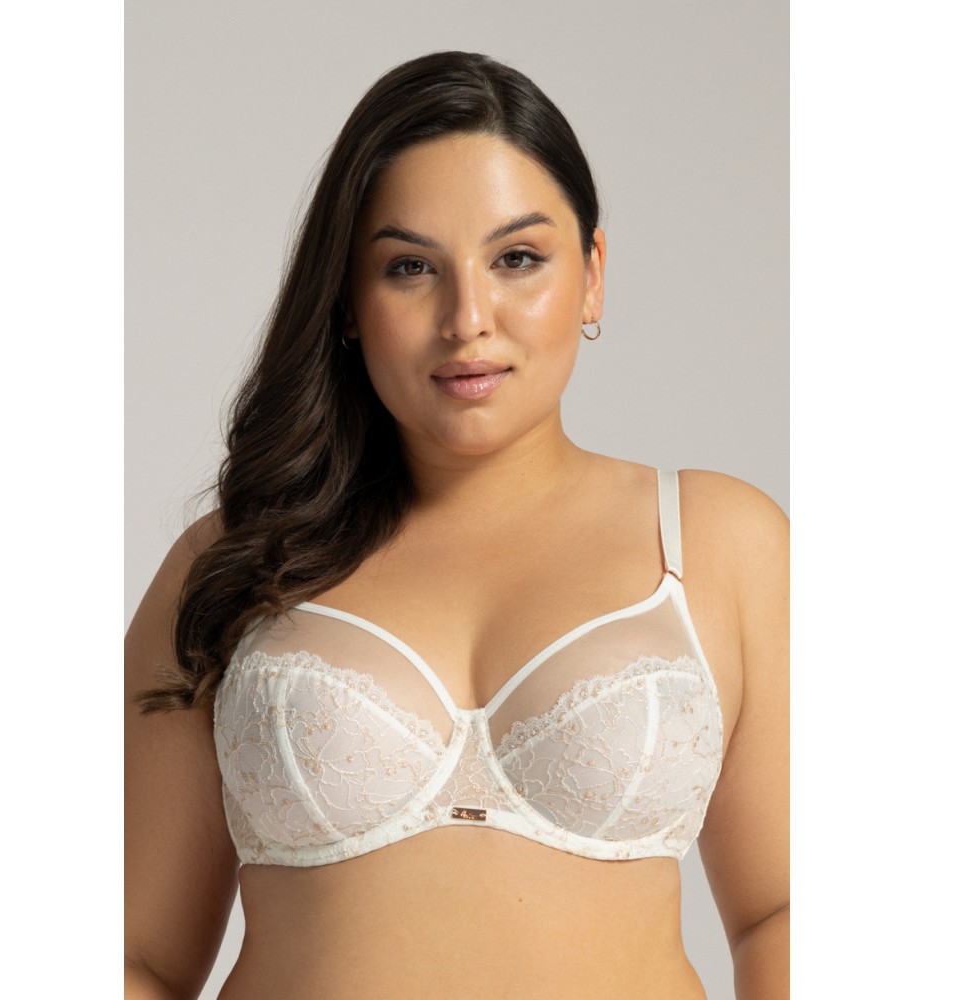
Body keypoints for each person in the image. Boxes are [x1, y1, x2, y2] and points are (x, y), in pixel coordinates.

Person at [125, 51, 788, 1000]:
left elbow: (788, 913)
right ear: (348, 302)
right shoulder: (232, 563)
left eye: (517, 259)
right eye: (409, 268)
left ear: (592, 276)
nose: (467, 318)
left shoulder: (719, 544)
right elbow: (132, 955)